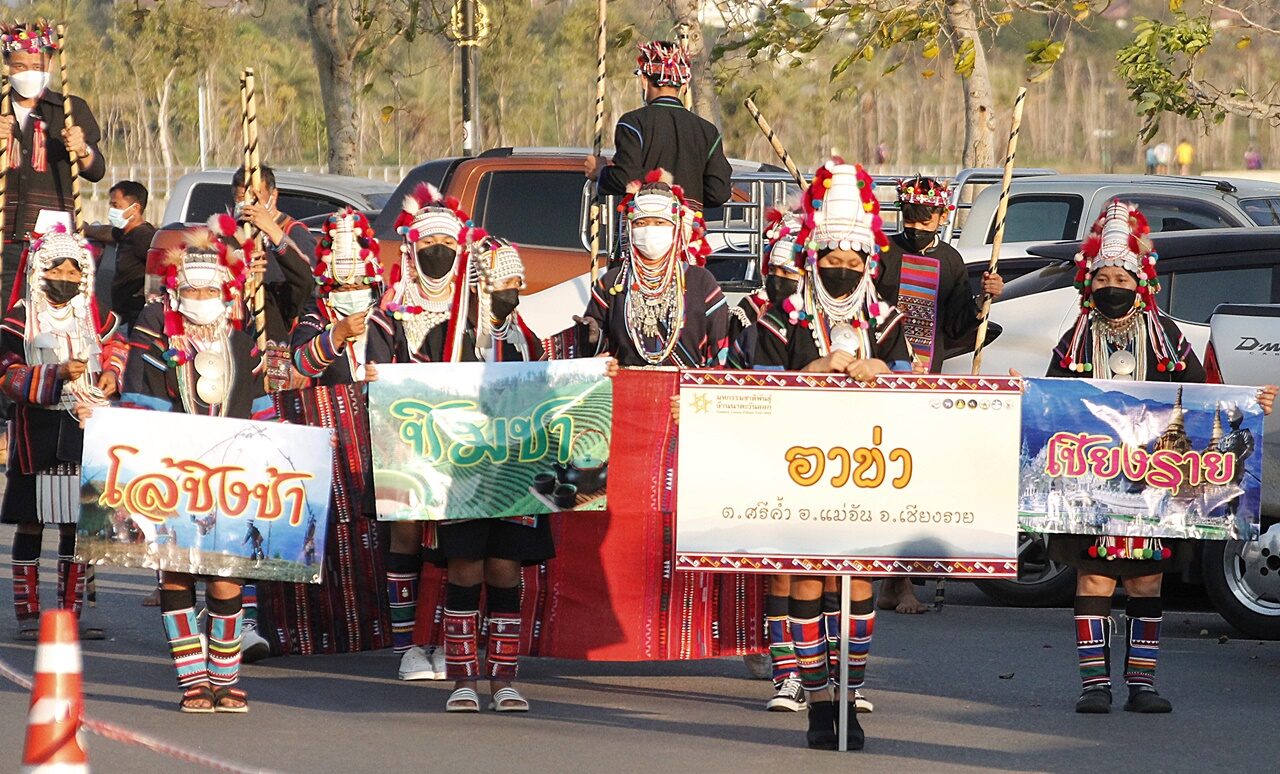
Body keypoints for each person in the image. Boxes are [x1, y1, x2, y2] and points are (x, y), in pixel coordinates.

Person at [1045, 200, 1276, 715]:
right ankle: (1094, 685)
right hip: (1096, 482)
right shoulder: (1074, 341)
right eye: (1102, 277)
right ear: (1089, 282)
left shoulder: (1168, 339)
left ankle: (1143, 685)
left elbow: (1203, 399)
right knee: (1095, 577)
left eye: (1121, 280)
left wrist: (1248, 402)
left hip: (1156, 482)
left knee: (1147, 579)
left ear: (1140, 285)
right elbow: (1055, 403)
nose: (1111, 286)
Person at [752, 160, 912, 750]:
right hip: (798, 467)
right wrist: (810, 370)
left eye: (852, 262)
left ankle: (852, 687)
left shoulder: (889, 320)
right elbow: (755, 383)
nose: (841, 270)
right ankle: (818, 698)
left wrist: (883, 372)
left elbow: (915, 388)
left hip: (867, 468)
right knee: (809, 576)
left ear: (868, 264)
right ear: (812, 260)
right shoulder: (781, 317)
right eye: (831, 260)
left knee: (858, 573)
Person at [111, 215, 275, 713]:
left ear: (226, 292)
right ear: (177, 288)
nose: (202, 296)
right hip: (172, 472)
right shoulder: (155, 334)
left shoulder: (245, 343)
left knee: (227, 575)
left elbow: (261, 406)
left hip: (230, 476)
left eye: (211, 288)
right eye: (193, 287)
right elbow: (139, 401)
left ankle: (225, 677)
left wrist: (268, 458)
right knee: (177, 574)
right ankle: (192, 681)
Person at [252, 208, 394, 656]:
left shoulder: (389, 319)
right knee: (331, 536)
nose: (352, 292)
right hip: (330, 444)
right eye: (344, 285)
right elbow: (297, 367)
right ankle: (327, 628)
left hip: (382, 441)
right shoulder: (315, 316)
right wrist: (334, 337)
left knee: (383, 534)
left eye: (359, 285)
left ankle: (386, 629)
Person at [430, 236, 558, 713]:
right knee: (465, 567)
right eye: (503, 282)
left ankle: (504, 679)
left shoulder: (529, 338)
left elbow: (555, 390)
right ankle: (463, 680)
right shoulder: (449, 336)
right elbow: (422, 386)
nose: (512, 291)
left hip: (516, 469)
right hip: (461, 469)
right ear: (479, 285)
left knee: (505, 570)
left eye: (516, 283)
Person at [873, 175, 1003, 614]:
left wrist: (984, 301)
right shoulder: (881, 252)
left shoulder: (950, 261)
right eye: (910, 214)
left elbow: (955, 325)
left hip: (926, 380)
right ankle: (881, 578)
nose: (917, 222)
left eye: (924, 216)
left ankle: (900, 582)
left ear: (942, 216)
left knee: (913, 479)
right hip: (881, 378)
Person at [2, 225, 124, 640]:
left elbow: (116, 346)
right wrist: (52, 375)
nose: (67, 280)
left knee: (76, 524)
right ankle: (29, 614)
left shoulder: (93, 313)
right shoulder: (19, 317)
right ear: (41, 270)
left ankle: (69, 616)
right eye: (59, 271)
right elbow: (7, 373)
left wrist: (111, 372)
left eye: (75, 274)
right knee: (31, 522)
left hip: (84, 429)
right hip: (35, 432)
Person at [381, 182, 476, 682]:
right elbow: (371, 367)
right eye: (428, 247)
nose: (438, 255)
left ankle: (445, 640)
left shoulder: (476, 311)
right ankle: (409, 646)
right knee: (407, 536)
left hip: (461, 445)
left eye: (447, 247)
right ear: (411, 250)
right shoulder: (389, 307)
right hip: (403, 442)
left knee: (455, 544)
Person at [0, 23, 105, 305]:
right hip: (3, 237)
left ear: (51, 63)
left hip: (52, 244)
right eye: (19, 66)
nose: (28, 72)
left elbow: (96, 170)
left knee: (48, 316)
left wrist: (81, 148)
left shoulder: (70, 110)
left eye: (36, 65)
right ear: (7, 65)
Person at [579, 169, 728, 368]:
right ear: (630, 229)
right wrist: (591, 335)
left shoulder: (701, 282)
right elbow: (597, 353)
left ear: (675, 229)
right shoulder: (613, 283)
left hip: (684, 394)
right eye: (641, 223)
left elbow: (719, 356)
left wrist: (695, 397)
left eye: (659, 223)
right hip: (627, 391)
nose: (649, 230)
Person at [584, 41, 732, 212]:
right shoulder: (707, 131)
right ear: (683, 86)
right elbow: (719, 191)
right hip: (688, 233)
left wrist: (601, 172)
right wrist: (685, 197)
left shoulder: (633, 123)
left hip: (643, 229)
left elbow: (627, 178)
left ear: (644, 80)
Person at [232, 164, 315, 344]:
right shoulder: (229, 235)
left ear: (273, 195)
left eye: (256, 197)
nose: (248, 204)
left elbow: (306, 284)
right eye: (242, 198)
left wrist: (270, 228)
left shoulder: (295, 233)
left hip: (278, 329)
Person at [80, 180, 155, 329]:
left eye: (116, 206)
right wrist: (87, 229)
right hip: (122, 314)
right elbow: (108, 232)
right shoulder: (125, 233)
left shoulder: (142, 236)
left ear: (135, 208)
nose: (112, 210)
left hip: (134, 316)